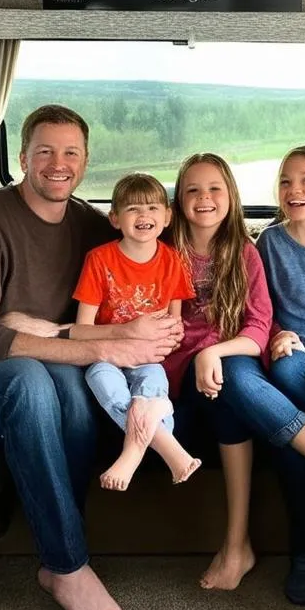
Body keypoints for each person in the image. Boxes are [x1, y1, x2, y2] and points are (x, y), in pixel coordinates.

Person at [0, 105, 181, 610]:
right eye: (45, 152)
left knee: (68, 387)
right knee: (32, 377)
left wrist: (46, 330)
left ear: (84, 162)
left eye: (71, 153)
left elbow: (137, 282)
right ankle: (66, 567)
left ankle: (62, 535)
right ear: (22, 158)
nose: (58, 164)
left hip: (44, 376)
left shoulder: (87, 225)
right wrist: (88, 345)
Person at [165, 152, 305, 600]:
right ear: (176, 202)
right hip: (232, 364)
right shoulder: (184, 250)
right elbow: (265, 322)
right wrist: (273, 336)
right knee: (268, 376)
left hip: (304, 356)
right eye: (192, 190)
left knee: (260, 390)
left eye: (215, 188)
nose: (204, 198)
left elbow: (257, 321)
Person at [73, 172, 201, 491]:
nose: (144, 216)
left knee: (154, 382)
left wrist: (157, 346)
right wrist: (123, 338)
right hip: (108, 353)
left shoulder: (172, 261)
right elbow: (81, 329)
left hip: (149, 357)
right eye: (132, 209)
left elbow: (174, 328)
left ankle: (133, 449)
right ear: (115, 219)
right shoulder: (99, 260)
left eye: (152, 208)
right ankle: (165, 443)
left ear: (168, 216)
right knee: (99, 379)